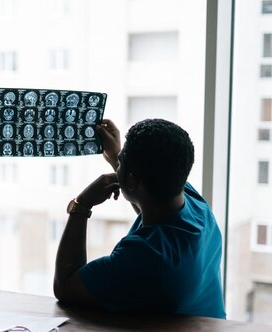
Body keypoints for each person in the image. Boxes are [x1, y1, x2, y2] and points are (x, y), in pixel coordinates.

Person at [53, 118, 226, 319]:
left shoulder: (145, 256)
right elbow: (151, 196)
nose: (118, 165)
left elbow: (65, 286)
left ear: (133, 180)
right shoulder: (196, 205)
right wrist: (118, 158)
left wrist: (81, 206)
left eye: (122, 161)